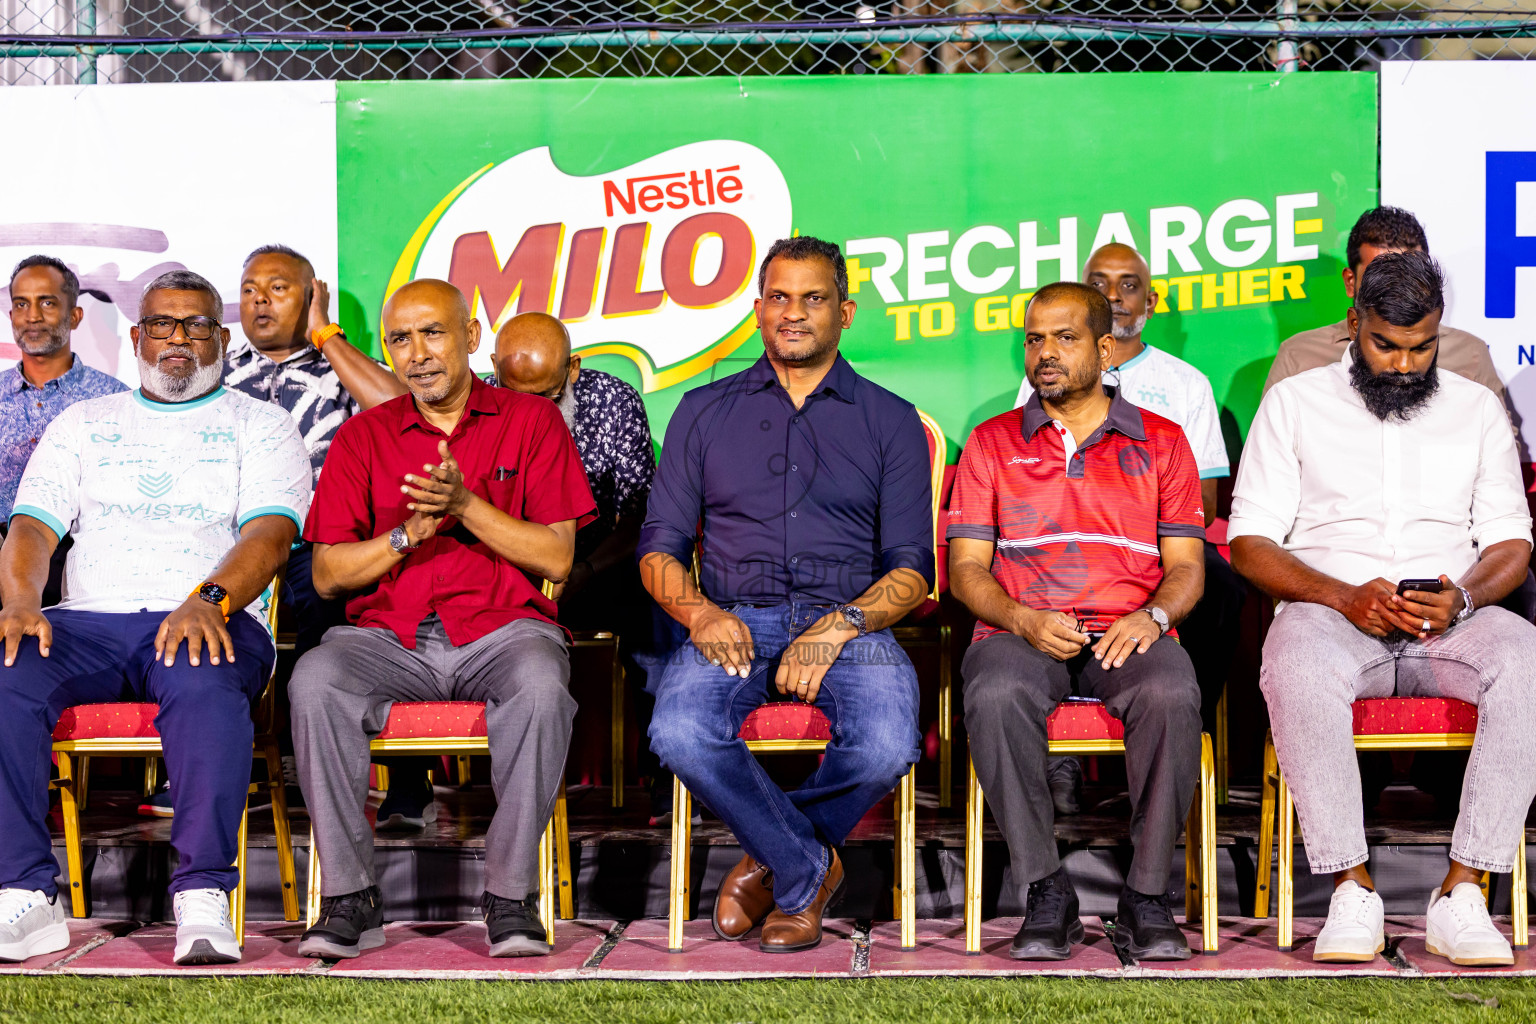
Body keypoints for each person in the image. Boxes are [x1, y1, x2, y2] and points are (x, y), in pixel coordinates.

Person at [1230, 250, 1536, 967]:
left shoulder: (1474, 409)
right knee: (1294, 656)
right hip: (1335, 619)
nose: (1404, 365)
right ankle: (1350, 887)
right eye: (1386, 346)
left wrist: (1464, 596)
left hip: (1450, 626)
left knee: (1525, 654)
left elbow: (1509, 541)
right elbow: (1249, 543)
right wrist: (1341, 595)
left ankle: (1464, 892)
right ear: (1355, 322)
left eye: (1421, 347)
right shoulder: (1296, 402)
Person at [0, 270, 311, 965]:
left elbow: (268, 536)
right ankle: (24, 894)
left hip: (210, 612)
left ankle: (201, 894)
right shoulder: (83, 424)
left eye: (197, 325)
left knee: (200, 667)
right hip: (89, 622)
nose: (179, 338)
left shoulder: (261, 425)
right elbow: (31, 529)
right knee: (7, 666)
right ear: (137, 337)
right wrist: (20, 601)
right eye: (163, 325)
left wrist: (210, 601)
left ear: (221, 339)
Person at [287, 279, 595, 959]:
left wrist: (465, 507)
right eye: (400, 338)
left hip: (505, 632)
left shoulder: (530, 421)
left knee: (544, 688)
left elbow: (557, 555)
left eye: (433, 333)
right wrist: (403, 537)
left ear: (470, 335)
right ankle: (349, 898)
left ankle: (511, 897)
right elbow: (329, 572)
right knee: (314, 681)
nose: (417, 352)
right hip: (388, 638)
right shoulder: (364, 436)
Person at [640, 237, 932, 953]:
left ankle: (771, 859)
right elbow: (659, 550)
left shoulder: (890, 419)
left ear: (846, 311)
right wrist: (701, 613)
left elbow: (911, 569)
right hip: (733, 619)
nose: (793, 313)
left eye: (813, 298)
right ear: (758, 309)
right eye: (778, 297)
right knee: (677, 731)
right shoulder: (702, 412)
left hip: (850, 625)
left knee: (890, 742)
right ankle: (805, 869)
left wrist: (839, 627)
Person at [951, 281, 1206, 962]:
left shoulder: (1164, 442)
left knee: (1171, 690)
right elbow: (967, 569)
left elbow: (1187, 566)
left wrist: (1152, 615)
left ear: (1104, 347)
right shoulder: (991, 442)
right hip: (1022, 630)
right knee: (995, 690)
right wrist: (1023, 618)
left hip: (1128, 629)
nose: (1045, 353)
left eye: (1064, 338)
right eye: (1034, 338)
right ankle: (1046, 890)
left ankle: (1146, 898)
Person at [141, 245, 410, 820]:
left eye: (279, 288)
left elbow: (405, 412)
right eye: (249, 289)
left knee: (348, 606)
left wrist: (326, 335)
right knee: (187, 603)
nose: (259, 299)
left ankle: (374, 776)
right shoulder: (217, 372)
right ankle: (201, 768)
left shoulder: (342, 370)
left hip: (317, 545)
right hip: (228, 548)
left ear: (312, 297)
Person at [1015, 243, 1242, 814]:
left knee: (1221, 587)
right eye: (1101, 281)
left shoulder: (1186, 383)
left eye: (1129, 283)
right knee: (1031, 578)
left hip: (1161, 545)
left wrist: (1128, 524)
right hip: (1066, 545)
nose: (1115, 294)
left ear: (1151, 299)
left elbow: (1206, 497)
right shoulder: (1046, 374)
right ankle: (1056, 753)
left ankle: (1174, 738)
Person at [491, 312, 681, 822]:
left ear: (573, 369)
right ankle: (439, 787)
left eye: (547, 397)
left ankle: (670, 772)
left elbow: (641, 514)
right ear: (493, 370)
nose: (532, 411)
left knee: (658, 603)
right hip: (513, 570)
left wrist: (586, 572)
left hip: (600, 563)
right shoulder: (479, 405)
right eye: (518, 396)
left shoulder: (613, 401)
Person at [1263, 206, 1507, 409]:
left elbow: (1499, 450)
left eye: (1411, 274)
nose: (1403, 365)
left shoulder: (1470, 354)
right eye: (1378, 275)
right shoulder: (1299, 356)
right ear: (1350, 282)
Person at [1, 256, 127, 607]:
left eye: (47, 302)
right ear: (11, 316)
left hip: (84, 560)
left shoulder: (114, 399)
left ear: (75, 316)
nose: (33, 316)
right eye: (21, 304)